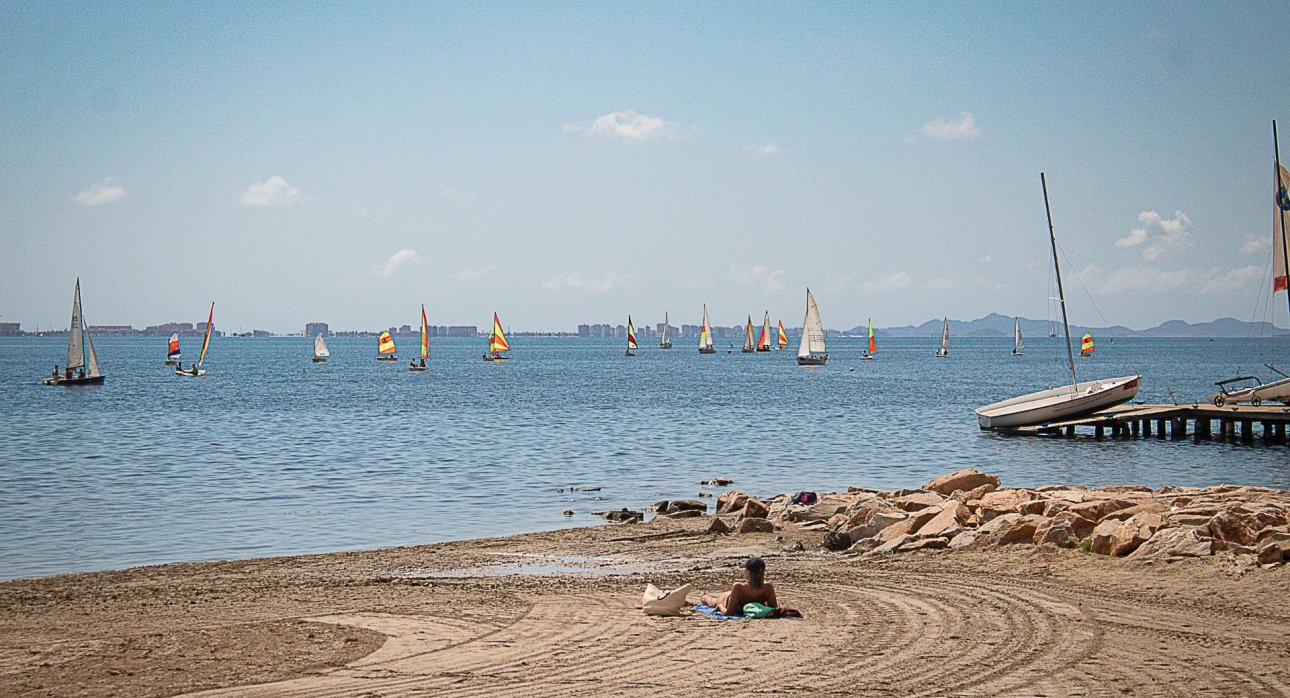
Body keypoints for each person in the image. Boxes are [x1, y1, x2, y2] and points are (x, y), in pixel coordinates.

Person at [699, 556, 777, 616]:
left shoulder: (739, 587)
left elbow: (729, 613)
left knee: (712, 601)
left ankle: (704, 597)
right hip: (731, 597)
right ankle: (704, 596)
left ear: (749, 572)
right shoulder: (768, 587)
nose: (744, 571)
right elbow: (774, 610)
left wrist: (720, 606)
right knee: (712, 599)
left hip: (726, 599)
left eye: (745, 569)